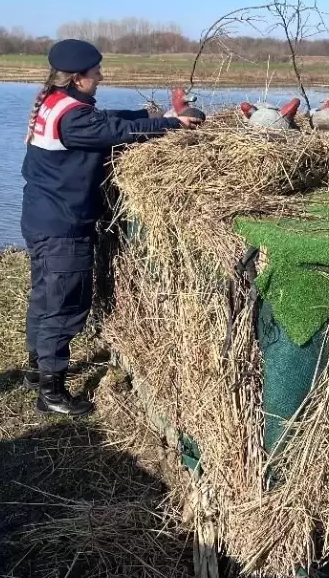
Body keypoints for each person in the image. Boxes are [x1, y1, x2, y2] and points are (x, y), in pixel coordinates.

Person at [21, 39, 198, 416]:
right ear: (79, 78)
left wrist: (146, 112)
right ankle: (51, 392)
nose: (101, 76)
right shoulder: (73, 117)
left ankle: (37, 371)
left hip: (42, 218)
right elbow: (116, 133)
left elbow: (108, 121)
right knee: (64, 306)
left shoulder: (57, 103)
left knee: (44, 295)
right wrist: (169, 125)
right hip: (63, 226)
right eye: (97, 71)